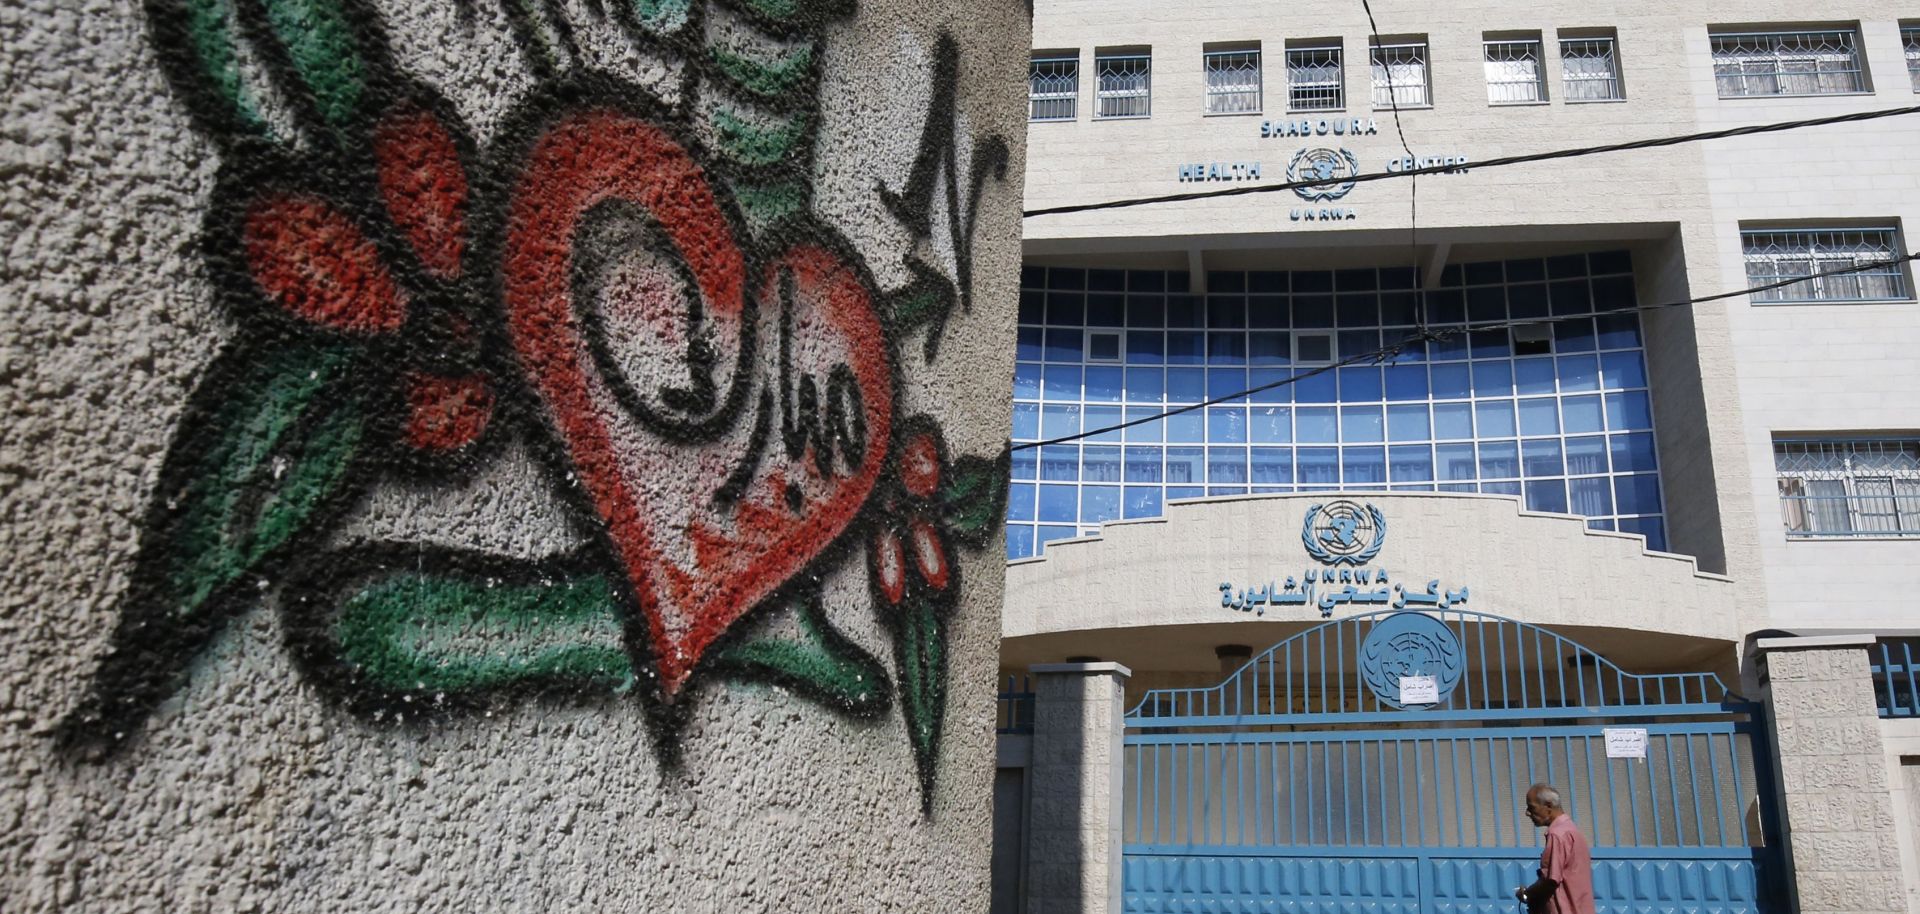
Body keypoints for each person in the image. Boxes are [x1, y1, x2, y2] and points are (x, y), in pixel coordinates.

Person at [1512, 783, 1596, 914]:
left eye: (1532, 807)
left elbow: (1551, 880)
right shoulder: (1572, 831)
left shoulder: (1557, 835)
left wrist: (1527, 893)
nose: (1527, 813)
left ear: (1549, 806)